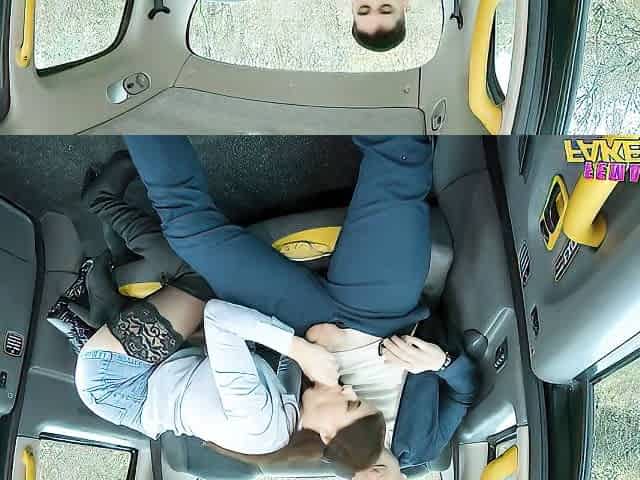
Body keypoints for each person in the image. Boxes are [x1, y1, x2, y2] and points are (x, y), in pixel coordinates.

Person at [126, 135, 479, 475]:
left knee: (189, 232)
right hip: (382, 313)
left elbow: (262, 374)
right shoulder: (424, 447)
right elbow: (465, 391)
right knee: (401, 158)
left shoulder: (311, 446)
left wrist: (300, 349)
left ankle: (136, 106)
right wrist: (441, 363)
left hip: (302, 324)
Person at [55, 155, 386, 475]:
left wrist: (299, 348)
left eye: (351, 404)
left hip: (117, 380)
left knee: (200, 279)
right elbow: (281, 358)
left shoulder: (261, 425)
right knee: (216, 287)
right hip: (158, 377)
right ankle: (109, 289)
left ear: (327, 435)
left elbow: (219, 317)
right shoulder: (288, 422)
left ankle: (103, 201)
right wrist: (318, 346)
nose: (350, 391)